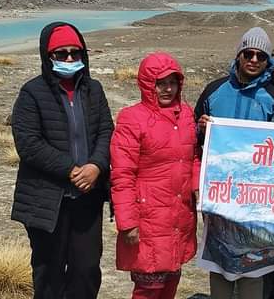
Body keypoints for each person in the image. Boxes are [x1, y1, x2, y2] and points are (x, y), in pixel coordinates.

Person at [11, 22, 114, 299]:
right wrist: (70, 170)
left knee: (86, 270)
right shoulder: (32, 93)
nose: (69, 59)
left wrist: (95, 166)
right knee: (49, 273)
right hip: (47, 201)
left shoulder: (94, 90)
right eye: (61, 54)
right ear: (48, 56)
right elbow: (29, 144)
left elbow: (106, 131)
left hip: (87, 198)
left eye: (75, 53)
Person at [194, 27, 274, 299]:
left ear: (267, 62)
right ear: (239, 55)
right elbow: (194, 138)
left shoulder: (273, 98)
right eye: (248, 53)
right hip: (220, 192)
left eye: (261, 56)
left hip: (257, 197)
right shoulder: (214, 91)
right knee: (220, 259)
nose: (254, 59)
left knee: (253, 263)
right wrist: (201, 128)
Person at [109, 52, 200, 299]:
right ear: (148, 85)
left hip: (179, 213)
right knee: (149, 286)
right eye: (161, 83)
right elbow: (122, 174)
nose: (168, 89)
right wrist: (127, 222)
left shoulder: (186, 115)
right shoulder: (132, 118)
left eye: (173, 82)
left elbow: (192, 157)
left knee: (171, 277)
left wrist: (196, 185)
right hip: (148, 215)